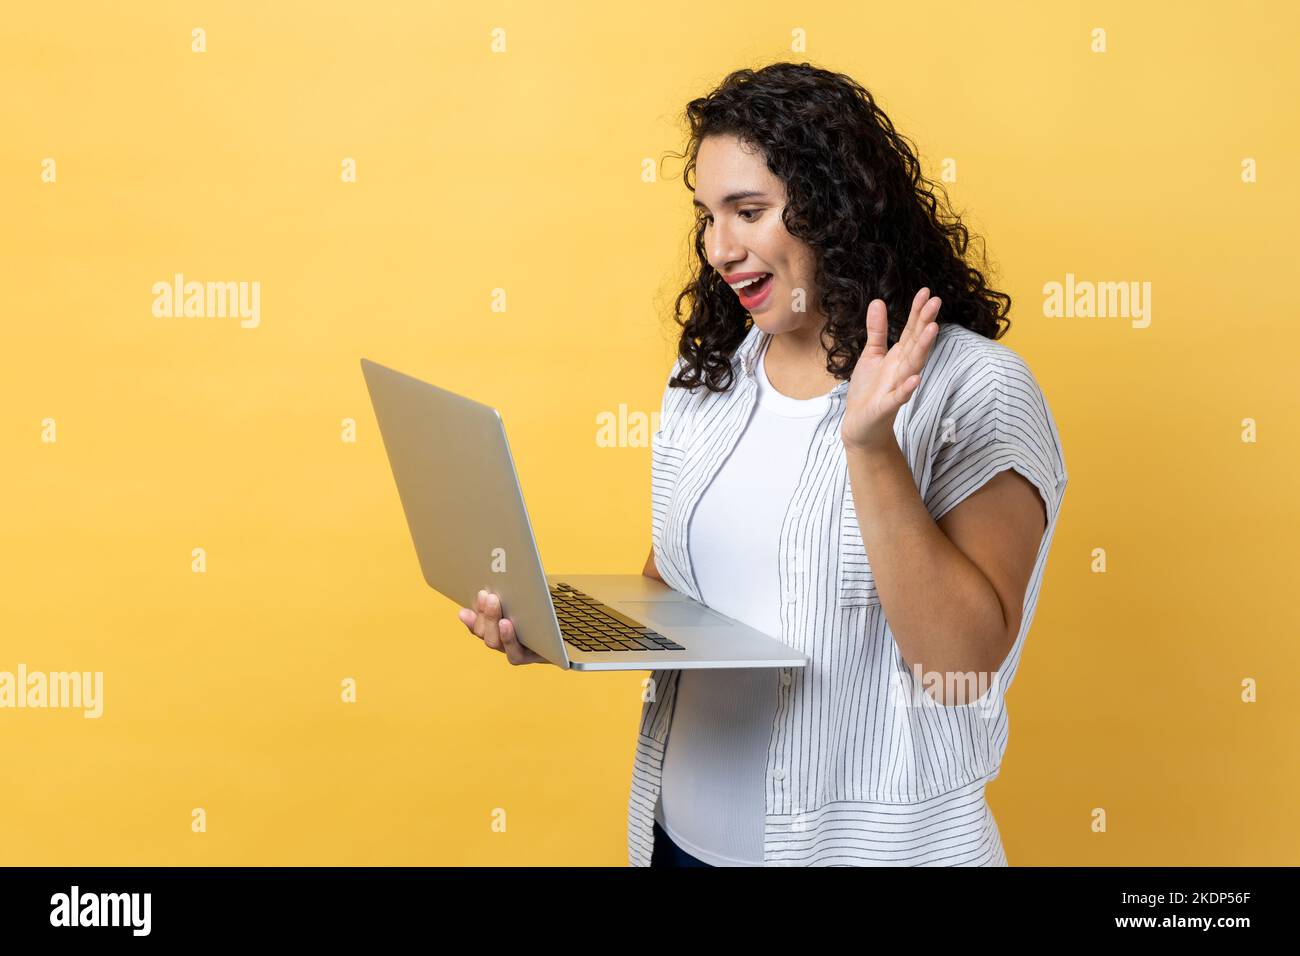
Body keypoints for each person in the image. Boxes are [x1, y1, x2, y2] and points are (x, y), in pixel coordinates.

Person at [458, 61, 1068, 867]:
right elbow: (678, 586)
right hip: (677, 842)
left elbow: (959, 664)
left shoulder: (974, 387)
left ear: (838, 209)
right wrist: (560, 629)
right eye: (709, 216)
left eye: (748, 211)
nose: (719, 247)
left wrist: (872, 447)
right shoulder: (711, 375)